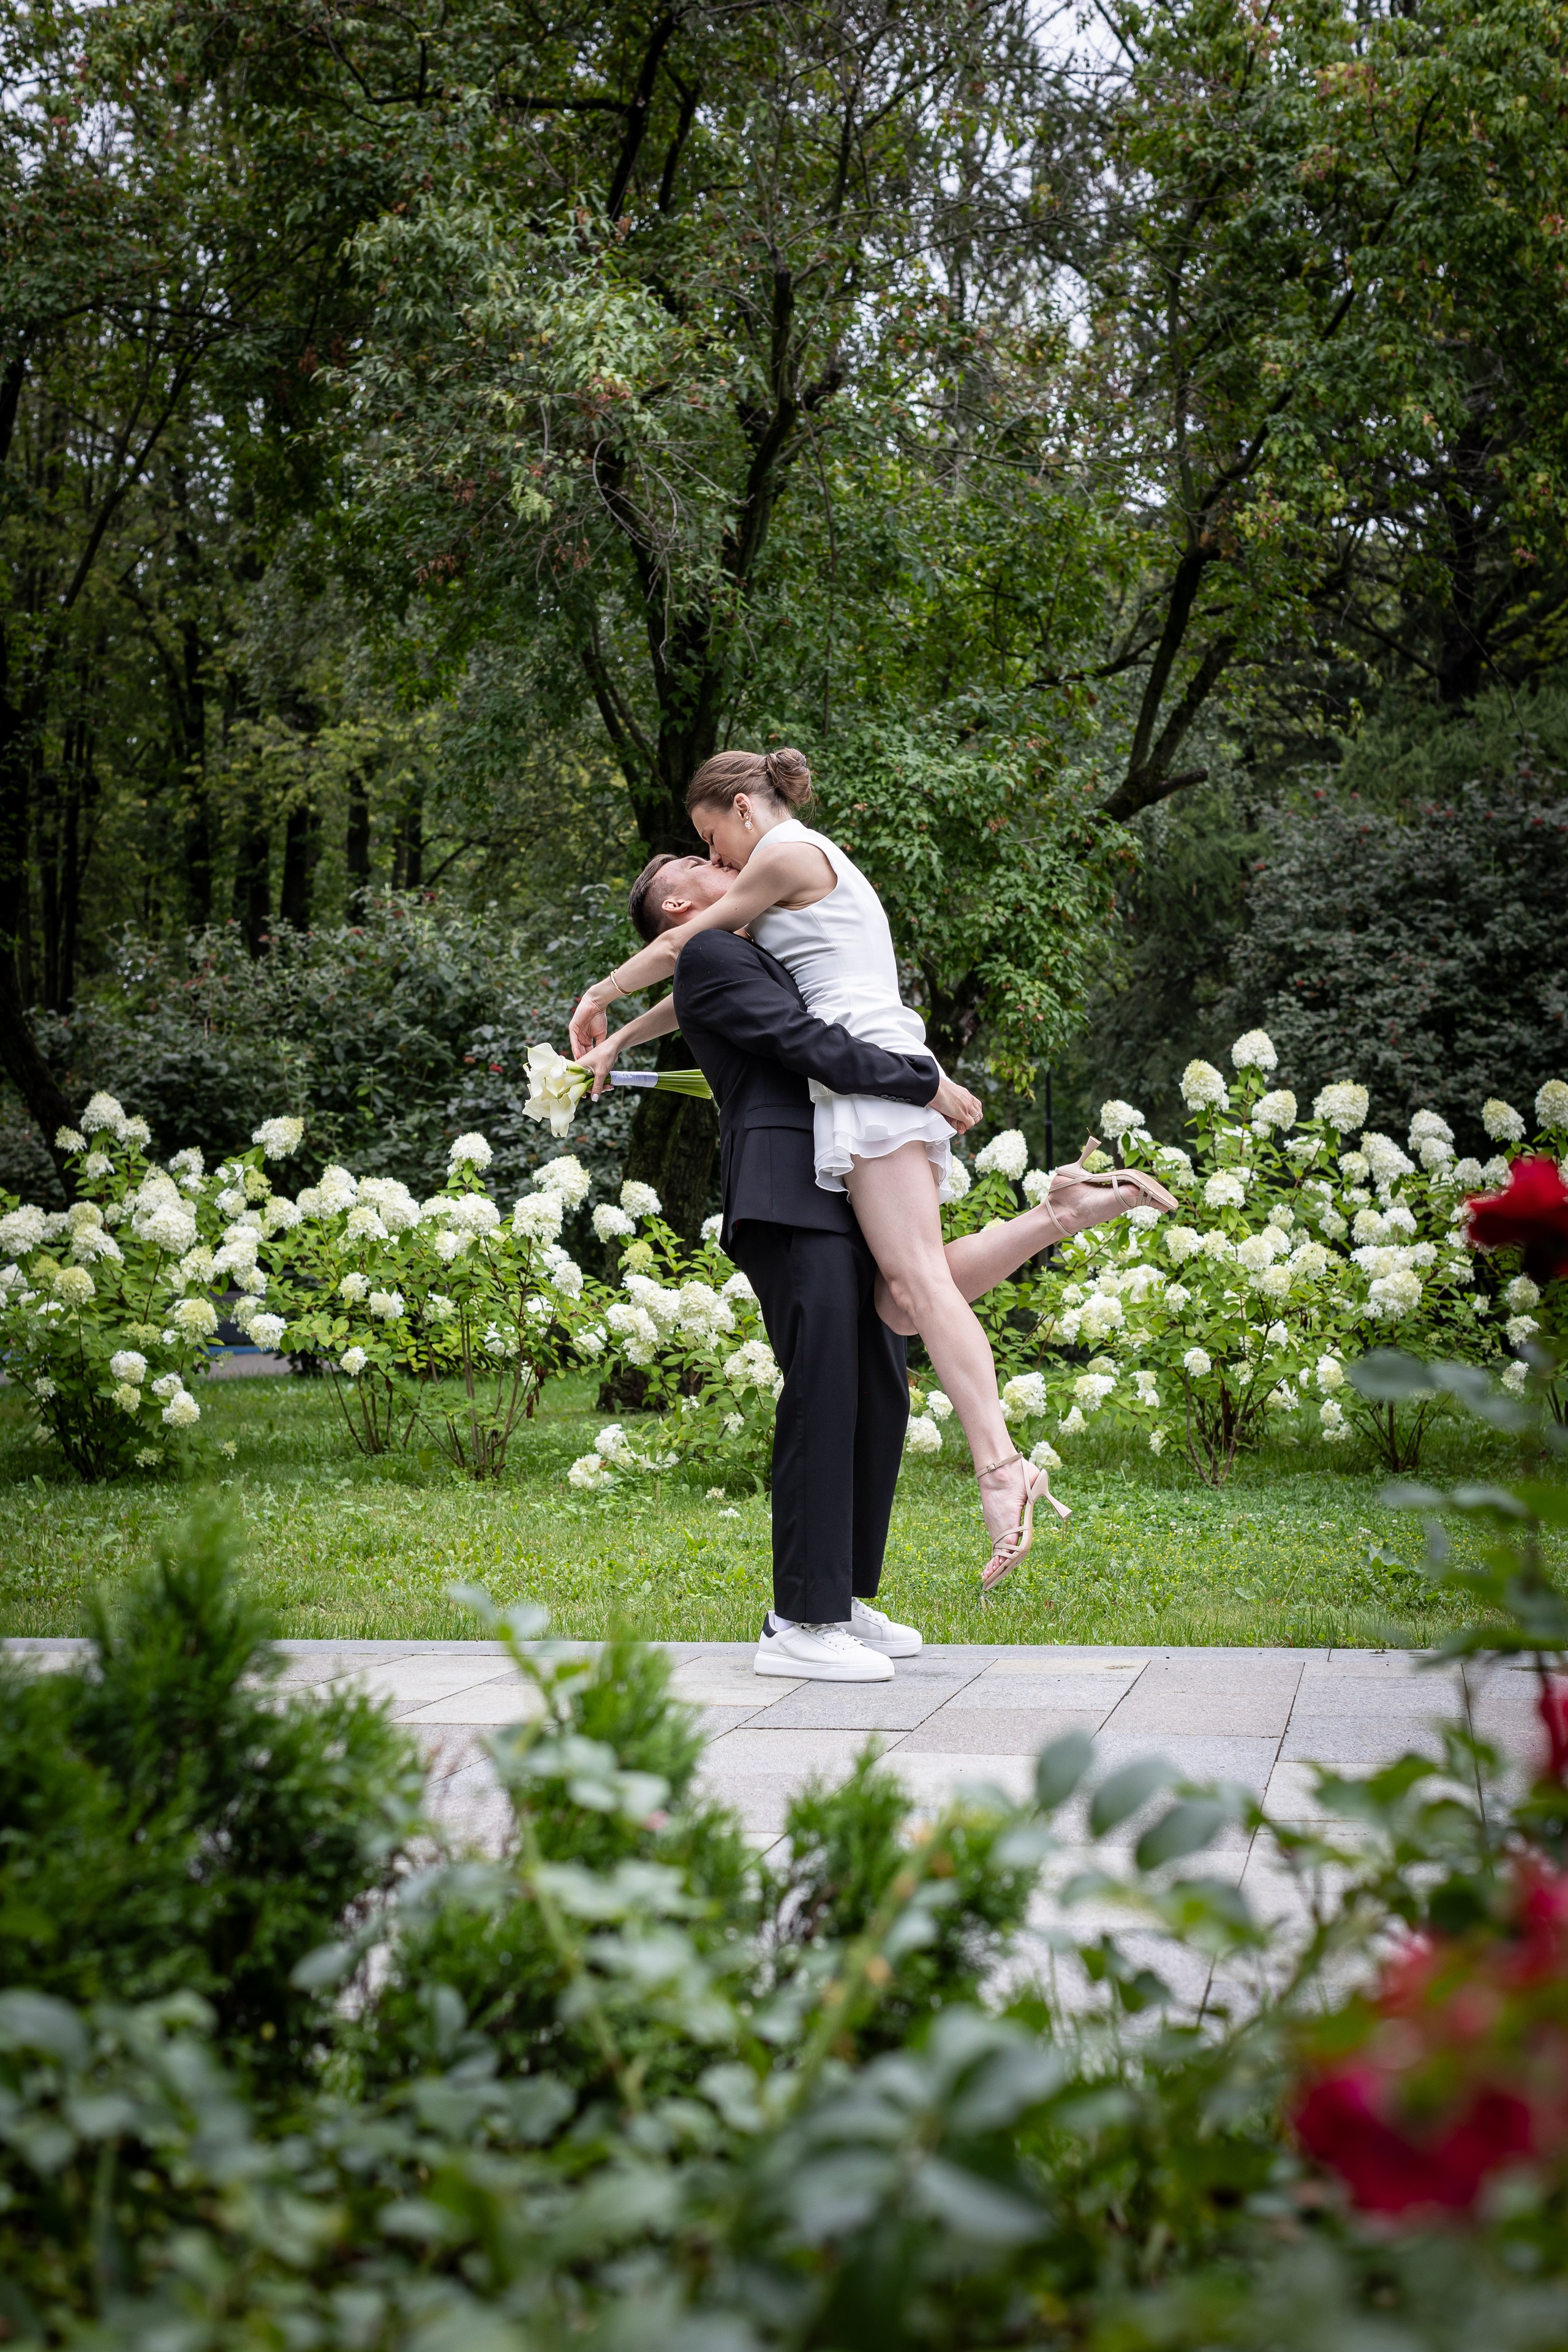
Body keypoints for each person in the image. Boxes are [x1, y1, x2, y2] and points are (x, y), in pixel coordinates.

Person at [569, 747, 1177, 1594]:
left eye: (712, 843)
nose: (717, 863)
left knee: (918, 1286)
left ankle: (1001, 1469)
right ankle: (1061, 1212)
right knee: (896, 1301)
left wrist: (598, 996)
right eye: (705, 859)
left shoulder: (782, 853)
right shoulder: (778, 884)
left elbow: (682, 946)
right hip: (868, 1065)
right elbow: (700, 980)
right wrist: (618, 1042)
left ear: (743, 810)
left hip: (867, 1068)